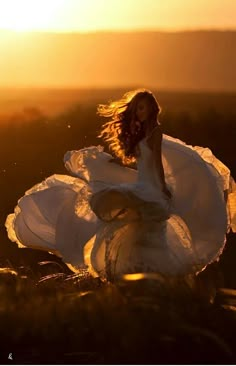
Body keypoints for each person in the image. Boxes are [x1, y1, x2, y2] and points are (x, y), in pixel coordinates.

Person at [5, 89, 236, 281]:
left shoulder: (155, 133)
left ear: (152, 109)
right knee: (128, 222)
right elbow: (138, 163)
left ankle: (149, 272)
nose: (140, 112)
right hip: (144, 184)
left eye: (144, 108)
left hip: (152, 186)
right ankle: (131, 270)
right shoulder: (140, 136)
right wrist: (110, 162)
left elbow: (155, 164)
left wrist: (163, 189)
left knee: (147, 227)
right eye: (138, 108)